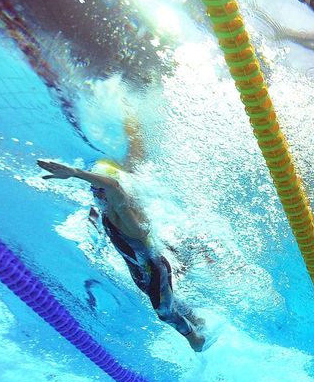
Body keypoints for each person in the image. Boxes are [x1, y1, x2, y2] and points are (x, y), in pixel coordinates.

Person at [37, 123, 207, 351]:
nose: (94, 192)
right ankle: (197, 320)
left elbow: (115, 186)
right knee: (168, 301)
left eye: (97, 188)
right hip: (141, 271)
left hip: (153, 269)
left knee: (164, 313)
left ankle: (195, 339)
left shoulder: (123, 213)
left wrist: (77, 174)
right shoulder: (107, 210)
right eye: (94, 189)